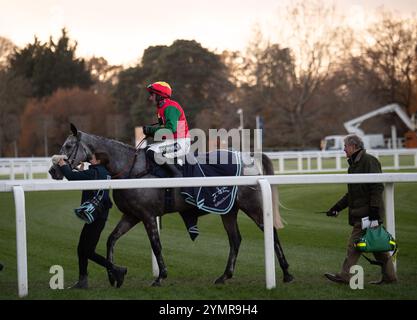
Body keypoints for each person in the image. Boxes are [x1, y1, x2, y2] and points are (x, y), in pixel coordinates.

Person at [324, 134, 397, 285]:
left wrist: (374, 212)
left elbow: (377, 187)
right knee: (377, 247)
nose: (344, 149)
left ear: (353, 146)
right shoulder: (353, 165)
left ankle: (345, 276)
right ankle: (390, 277)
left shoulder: (369, 161)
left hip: (368, 214)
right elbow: (351, 194)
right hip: (364, 214)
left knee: (354, 244)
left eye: (345, 146)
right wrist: (337, 207)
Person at [57, 151, 127, 289]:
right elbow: (90, 181)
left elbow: (71, 177)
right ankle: (83, 281)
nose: (91, 159)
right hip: (99, 216)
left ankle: (116, 270)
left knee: (87, 251)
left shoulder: (94, 172)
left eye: (93, 158)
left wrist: (62, 164)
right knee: (81, 249)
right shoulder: (104, 172)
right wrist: (82, 171)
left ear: (99, 161)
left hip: (96, 217)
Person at [142, 81, 191, 177]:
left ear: (160, 95)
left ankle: (177, 174)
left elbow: (170, 130)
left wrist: (151, 130)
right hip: (174, 141)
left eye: (152, 95)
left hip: (181, 143)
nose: (150, 98)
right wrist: (151, 132)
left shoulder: (170, 107)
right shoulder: (162, 108)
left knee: (152, 152)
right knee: (147, 149)